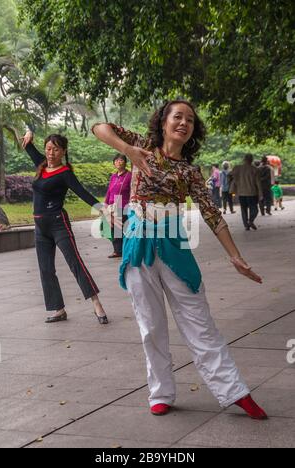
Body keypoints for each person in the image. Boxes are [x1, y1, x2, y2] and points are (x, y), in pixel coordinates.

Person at [91, 99, 267, 419]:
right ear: (163, 122)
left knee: (200, 322)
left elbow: (213, 215)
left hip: (174, 245)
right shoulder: (142, 145)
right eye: (177, 116)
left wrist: (236, 257)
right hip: (138, 245)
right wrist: (127, 150)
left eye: (189, 119)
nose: (183, 123)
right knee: (150, 324)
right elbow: (98, 128)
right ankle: (160, 392)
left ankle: (234, 391)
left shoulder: (189, 171)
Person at [21, 130, 108, 324]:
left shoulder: (65, 173)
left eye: (55, 149)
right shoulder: (41, 165)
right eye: (48, 149)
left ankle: (97, 304)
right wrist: (29, 132)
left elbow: (82, 192)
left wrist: (102, 208)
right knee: (46, 269)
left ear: (63, 152)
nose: (51, 153)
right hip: (40, 226)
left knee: (75, 263)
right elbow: (27, 145)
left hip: (58, 224)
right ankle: (58, 309)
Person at [103, 154, 131, 258]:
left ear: (125, 162)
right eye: (116, 160)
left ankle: (124, 250)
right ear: (114, 163)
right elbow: (109, 191)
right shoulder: (113, 176)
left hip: (123, 205)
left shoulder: (129, 176)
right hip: (112, 205)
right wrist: (105, 204)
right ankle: (117, 250)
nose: (118, 162)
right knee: (113, 228)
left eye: (121, 160)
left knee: (121, 228)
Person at [231, 154, 263, 231]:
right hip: (252, 193)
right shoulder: (255, 170)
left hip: (241, 193)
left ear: (244, 159)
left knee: (243, 209)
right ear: (251, 160)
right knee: (255, 209)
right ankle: (250, 221)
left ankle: (246, 225)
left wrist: (236, 183)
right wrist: (260, 194)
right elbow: (258, 183)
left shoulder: (237, 168)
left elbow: (230, 175)